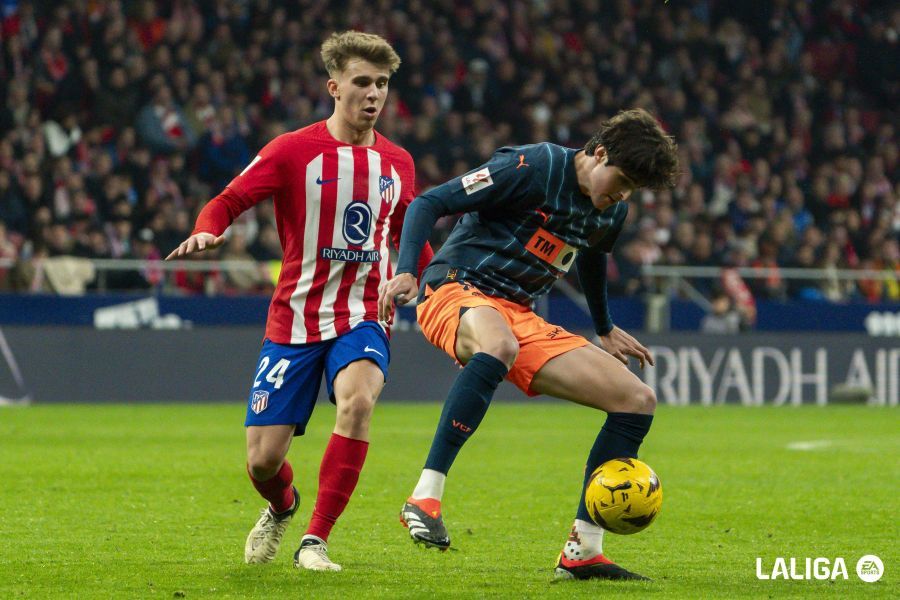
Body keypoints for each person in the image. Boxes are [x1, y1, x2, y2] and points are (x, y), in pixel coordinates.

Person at [167, 31, 432, 572]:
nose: (374, 93)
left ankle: (316, 541)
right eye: (362, 82)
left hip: (363, 313)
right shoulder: (292, 150)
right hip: (294, 319)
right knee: (263, 462)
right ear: (334, 87)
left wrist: (432, 282)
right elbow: (229, 198)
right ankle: (283, 505)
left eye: (382, 83)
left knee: (359, 401)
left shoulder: (399, 163)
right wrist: (206, 229)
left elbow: (410, 233)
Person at [378, 108, 678, 580]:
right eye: (621, 179)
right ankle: (425, 496)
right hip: (456, 287)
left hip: (520, 316)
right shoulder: (532, 167)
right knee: (497, 343)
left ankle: (583, 553)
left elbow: (593, 257)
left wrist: (604, 327)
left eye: (633, 190)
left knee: (636, 399)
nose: (622, 195)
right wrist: (407, 270)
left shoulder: (611, 210)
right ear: (599, 153)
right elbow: (429, 203)